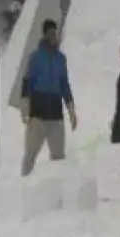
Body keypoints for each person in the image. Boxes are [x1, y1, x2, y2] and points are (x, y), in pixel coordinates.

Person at [20, 19, 77, 176]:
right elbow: (27, 81)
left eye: (56, 33)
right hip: (38, 113)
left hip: (56, 114)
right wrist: (25, 106)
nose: (54, 36)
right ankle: (24, 184)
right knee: (30, 154)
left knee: (59, 157)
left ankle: (57, 190)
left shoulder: (61, 59)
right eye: (51, 33)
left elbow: (64, 85)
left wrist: (71, 109)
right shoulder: (36, 57)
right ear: (45, 35)